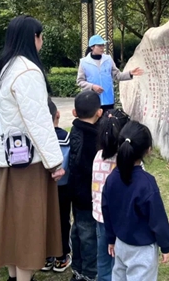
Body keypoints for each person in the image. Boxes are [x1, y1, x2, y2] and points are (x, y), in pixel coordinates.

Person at [0, 15, 65, 281]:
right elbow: (39, 121)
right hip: (28, 164)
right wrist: (55, 161)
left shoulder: (3, 69)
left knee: (11, 228)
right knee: (28, 227)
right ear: (34, 38)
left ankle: (14, 278)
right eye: (40, 37)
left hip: (6, 163)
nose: (41, 42)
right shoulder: (28, 70)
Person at [102, 122, 169, 281]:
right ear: (148, 150)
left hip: (120, 244)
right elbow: (157, 218)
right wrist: (166, 246)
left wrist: (111, 238)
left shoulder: (112, 177)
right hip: (142, 250)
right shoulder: (147, 184)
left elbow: (106, 209)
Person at [68, 90, 103, 281]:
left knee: (78, 231)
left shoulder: (74, 130)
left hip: (75, 192)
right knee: (89, 235)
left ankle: (77, 269)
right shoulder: (97, 138)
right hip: (90, 195)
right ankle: (89, 274)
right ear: (99, 112)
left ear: (74, 112)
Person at [92, 110, 125, 281]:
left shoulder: (98, 157)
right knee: (120, 257)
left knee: (104, 256)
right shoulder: (125, 160)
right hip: (120, 218)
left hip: (100, 217)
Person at [42, 98, 72, 274]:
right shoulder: (66, 137)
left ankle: (45, 257)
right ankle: (61, 257)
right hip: (63, 187)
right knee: (62, 221)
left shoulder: (37, 139)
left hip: (42, 188)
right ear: (58, 115)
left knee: (43, 220)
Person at [77, 35, 144, 111]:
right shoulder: (84, 62)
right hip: (91, 100)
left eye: (103, 45)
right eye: (99, 45)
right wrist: (92, 86)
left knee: (108, 122)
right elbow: (80, 81)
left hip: (108, 99)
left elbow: (117, 75)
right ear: (92, 47)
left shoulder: (108, 59)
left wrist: (130, 73)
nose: (102, 47)